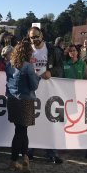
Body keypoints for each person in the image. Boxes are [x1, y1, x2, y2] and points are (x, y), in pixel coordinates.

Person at [27, 26, 64, 163]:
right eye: (32, 37)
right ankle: (29, 151)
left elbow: (60, 68)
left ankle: (51, 152)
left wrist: (51, 72)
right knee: (31, 121)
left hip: (49, 91)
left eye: (36, 36)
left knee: (50, 121)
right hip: (31, 90)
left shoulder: (53, 50)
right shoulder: (27, 50)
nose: (34, 39)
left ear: (41, 35)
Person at [6, 40, 41, 173]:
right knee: (21, 132)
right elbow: (34, 86)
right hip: (25, 101)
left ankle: (24, 158)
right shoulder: (28, 66)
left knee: (21, 130)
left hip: (12, 100)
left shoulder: (9, 64)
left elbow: (8, 83)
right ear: (27, 53)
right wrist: (38, 76)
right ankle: (14, 161)